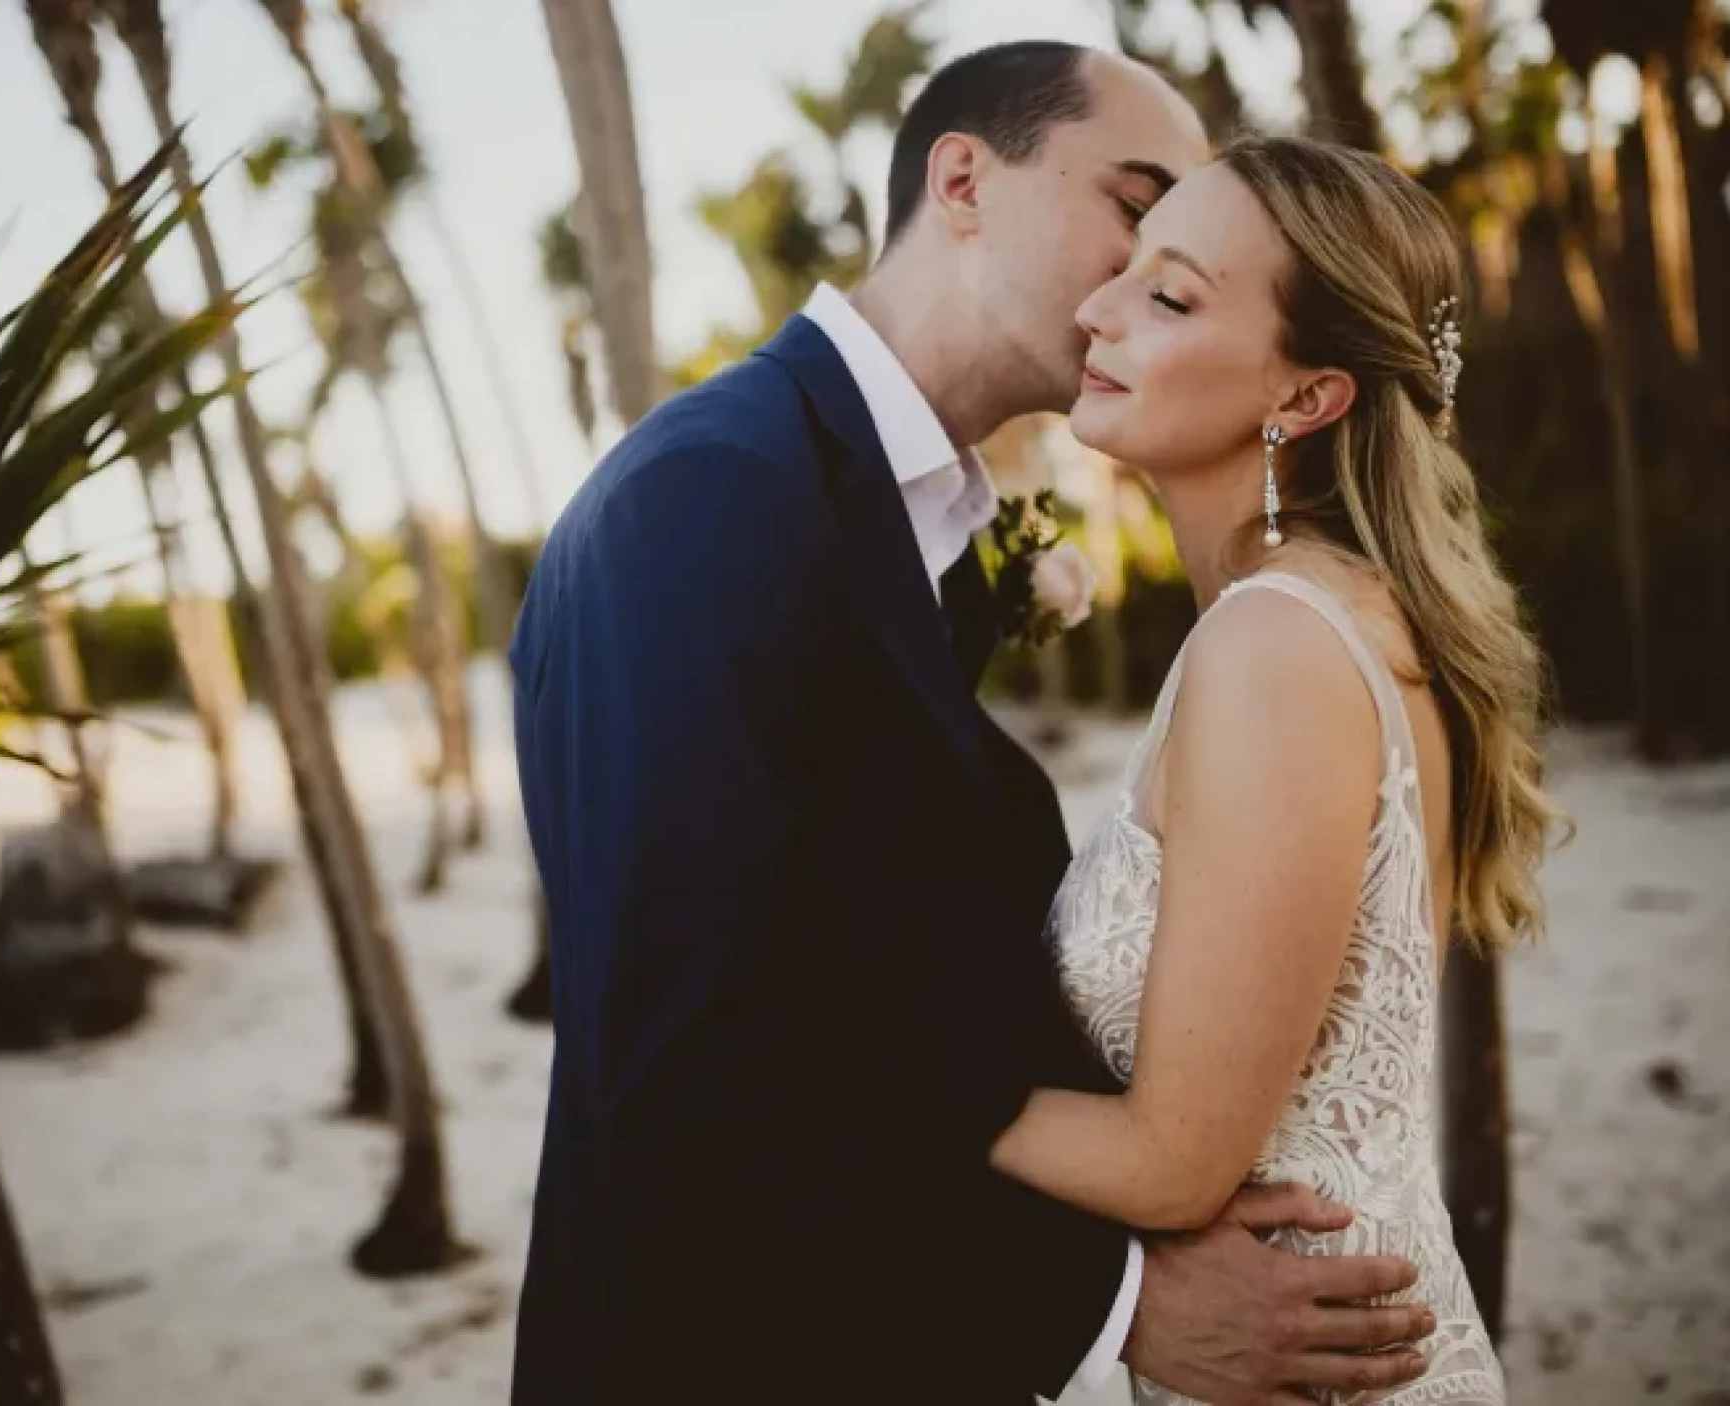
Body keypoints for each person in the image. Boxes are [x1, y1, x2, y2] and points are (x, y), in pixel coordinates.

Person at [510, 43, 1440, 1406]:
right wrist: (1113, 1302)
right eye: (1135, 207)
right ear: (961, 180)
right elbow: (683, 1071)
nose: (1139, 279)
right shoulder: (712, 493)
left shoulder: (908, 527)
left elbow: (874, 970)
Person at [989, 136, 1558, 1403]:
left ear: (1306, 399)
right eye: (1125, 270)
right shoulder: (1324, 620)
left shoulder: (1274, 647)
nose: (1098, 308)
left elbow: (1174, 1162)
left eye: (1169, 295)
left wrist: (867, 1079)